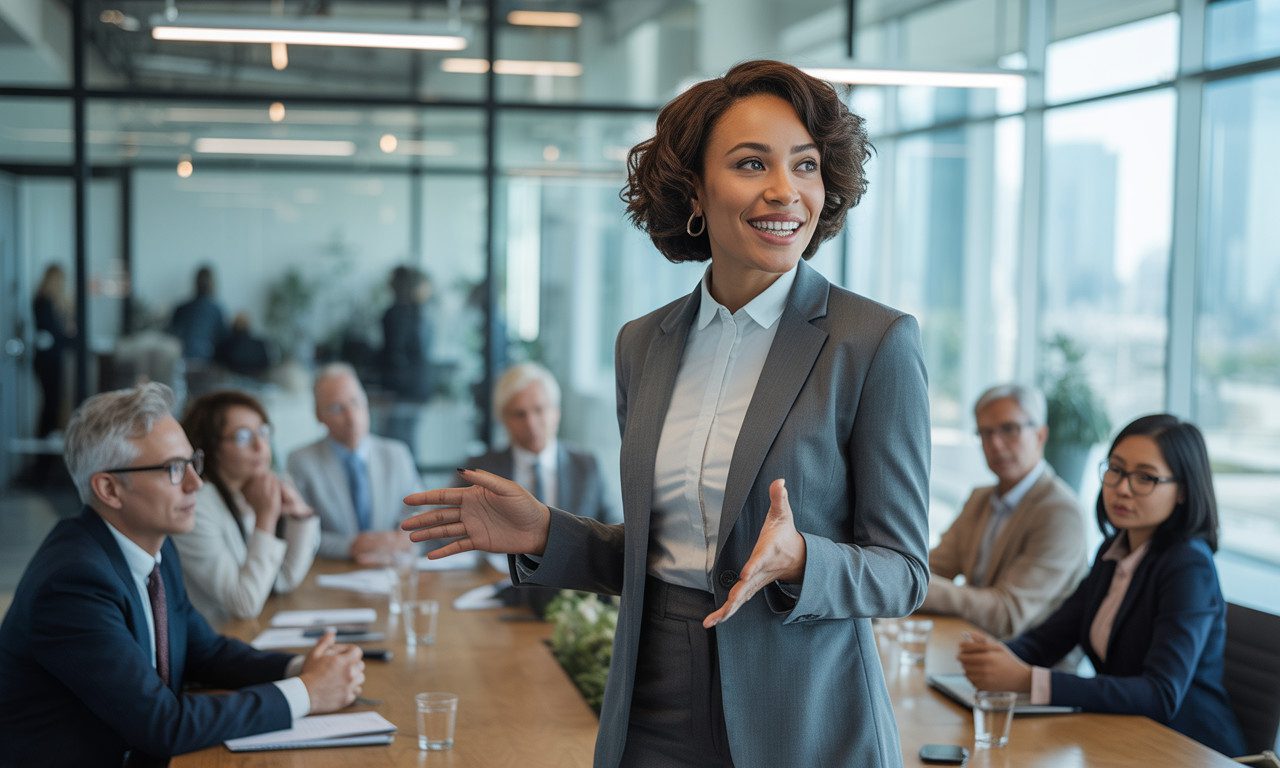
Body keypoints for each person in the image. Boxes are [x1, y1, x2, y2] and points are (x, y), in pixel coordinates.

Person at [403, 60, 930, 767]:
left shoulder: (874, 343)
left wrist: (803, 558)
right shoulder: (643, 345)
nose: (785, 191)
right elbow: (662, 554)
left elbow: (903, 571)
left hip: (803, 711)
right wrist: (547, 534)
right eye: (751, 164)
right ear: (694, 191)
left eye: (805, 166)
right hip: (653, 699)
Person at [0, 383, 364, 766]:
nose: (196, 483)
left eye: (193, 463)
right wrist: (306, 693)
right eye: (174, 469)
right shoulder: (74, 582)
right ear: (109, 488)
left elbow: (203, 650)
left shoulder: (155, 544)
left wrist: (301, 667)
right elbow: (162, 724)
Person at [957, 414, 1247, 756]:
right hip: (1121, 738)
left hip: (1186, 750)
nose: (1122, 488)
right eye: (1117, 470)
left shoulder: (1188, 565)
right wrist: (994, 657)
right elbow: (1047, 641)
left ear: (1182, 491)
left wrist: (1027, 680)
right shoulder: (1114, 552)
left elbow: (1160, 695)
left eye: (1145, 478)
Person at [920, 383, 1087, 638]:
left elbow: (1008, 615)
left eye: (1010, 429)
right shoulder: (980, 498)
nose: (995, 444)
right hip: (969, 644)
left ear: (1040, 435)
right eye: (985, 433)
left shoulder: (1060, 512)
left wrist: (913, 585)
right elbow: (935, 567)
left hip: (1028, 665)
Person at [172, 390, 320, 625]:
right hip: (214, 642)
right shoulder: (196, 506)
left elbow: (281, 581)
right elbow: (245, 603)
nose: (260, 446)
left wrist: (300, 515)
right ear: (212, 447)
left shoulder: (248, 491)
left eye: (263, 432)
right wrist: (266, 518)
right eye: (242, 437)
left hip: (245, 634)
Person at [287, 363, 422, 563]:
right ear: (318, 415)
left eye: (355, 402)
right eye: (336, 408)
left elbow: (421, 515)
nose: (352, 417)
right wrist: (351, 546)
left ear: (366, 403)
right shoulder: (301, 462)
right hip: (332, 575)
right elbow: (296, 533)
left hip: (393, 569)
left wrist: (401, 539)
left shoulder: (397, 454)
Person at [466, 363, 613, 523]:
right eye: (519, 414)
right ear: (503, 419)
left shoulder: (586, 467)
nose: (531, 423)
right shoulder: (480, 471)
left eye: (539, 410)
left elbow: (616, 533)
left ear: (556, 412)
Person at [380, 265, 434, 459]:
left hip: (403, 389)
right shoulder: (418, 314)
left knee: (397, 443)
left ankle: (406, 486)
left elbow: (394, 353)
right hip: (415, 387)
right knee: (406, 441)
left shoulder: (398, 314)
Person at [32, 264, 76, 437]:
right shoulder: (44, 301)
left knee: (53, 402)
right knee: (50, 402)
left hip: (51, 358)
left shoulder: (48, 301)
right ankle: (44, 448)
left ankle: (47, 441)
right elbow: (54, 332)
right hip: (47, 360)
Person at [169, 265, 227, 361]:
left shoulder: (181, 308)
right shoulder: (217, 310)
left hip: (182, 358)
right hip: (206, 359)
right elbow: (223, 339)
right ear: (213, 284)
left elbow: (171, 334)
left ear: (195, 283)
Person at [215, 312, 271, 377]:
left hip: (229, 379)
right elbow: (266, 364)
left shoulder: (225, 343)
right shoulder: (260, 345)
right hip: (254, 381)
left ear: (233, 325)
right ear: (249, 326)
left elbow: (218, 362)